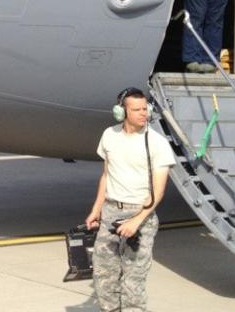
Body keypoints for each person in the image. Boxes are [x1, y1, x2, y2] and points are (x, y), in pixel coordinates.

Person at [85, 88, 176, 312]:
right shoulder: (109, 135)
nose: (143, 113)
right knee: (104, 275)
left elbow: (158, 191)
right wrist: (96, 209)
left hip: (140, 215)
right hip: (111, 211)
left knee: (133, 282)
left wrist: (137, 220)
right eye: (136, 110)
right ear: (121, 112)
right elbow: (106, 175)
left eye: (145, 108)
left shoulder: (156, 143)